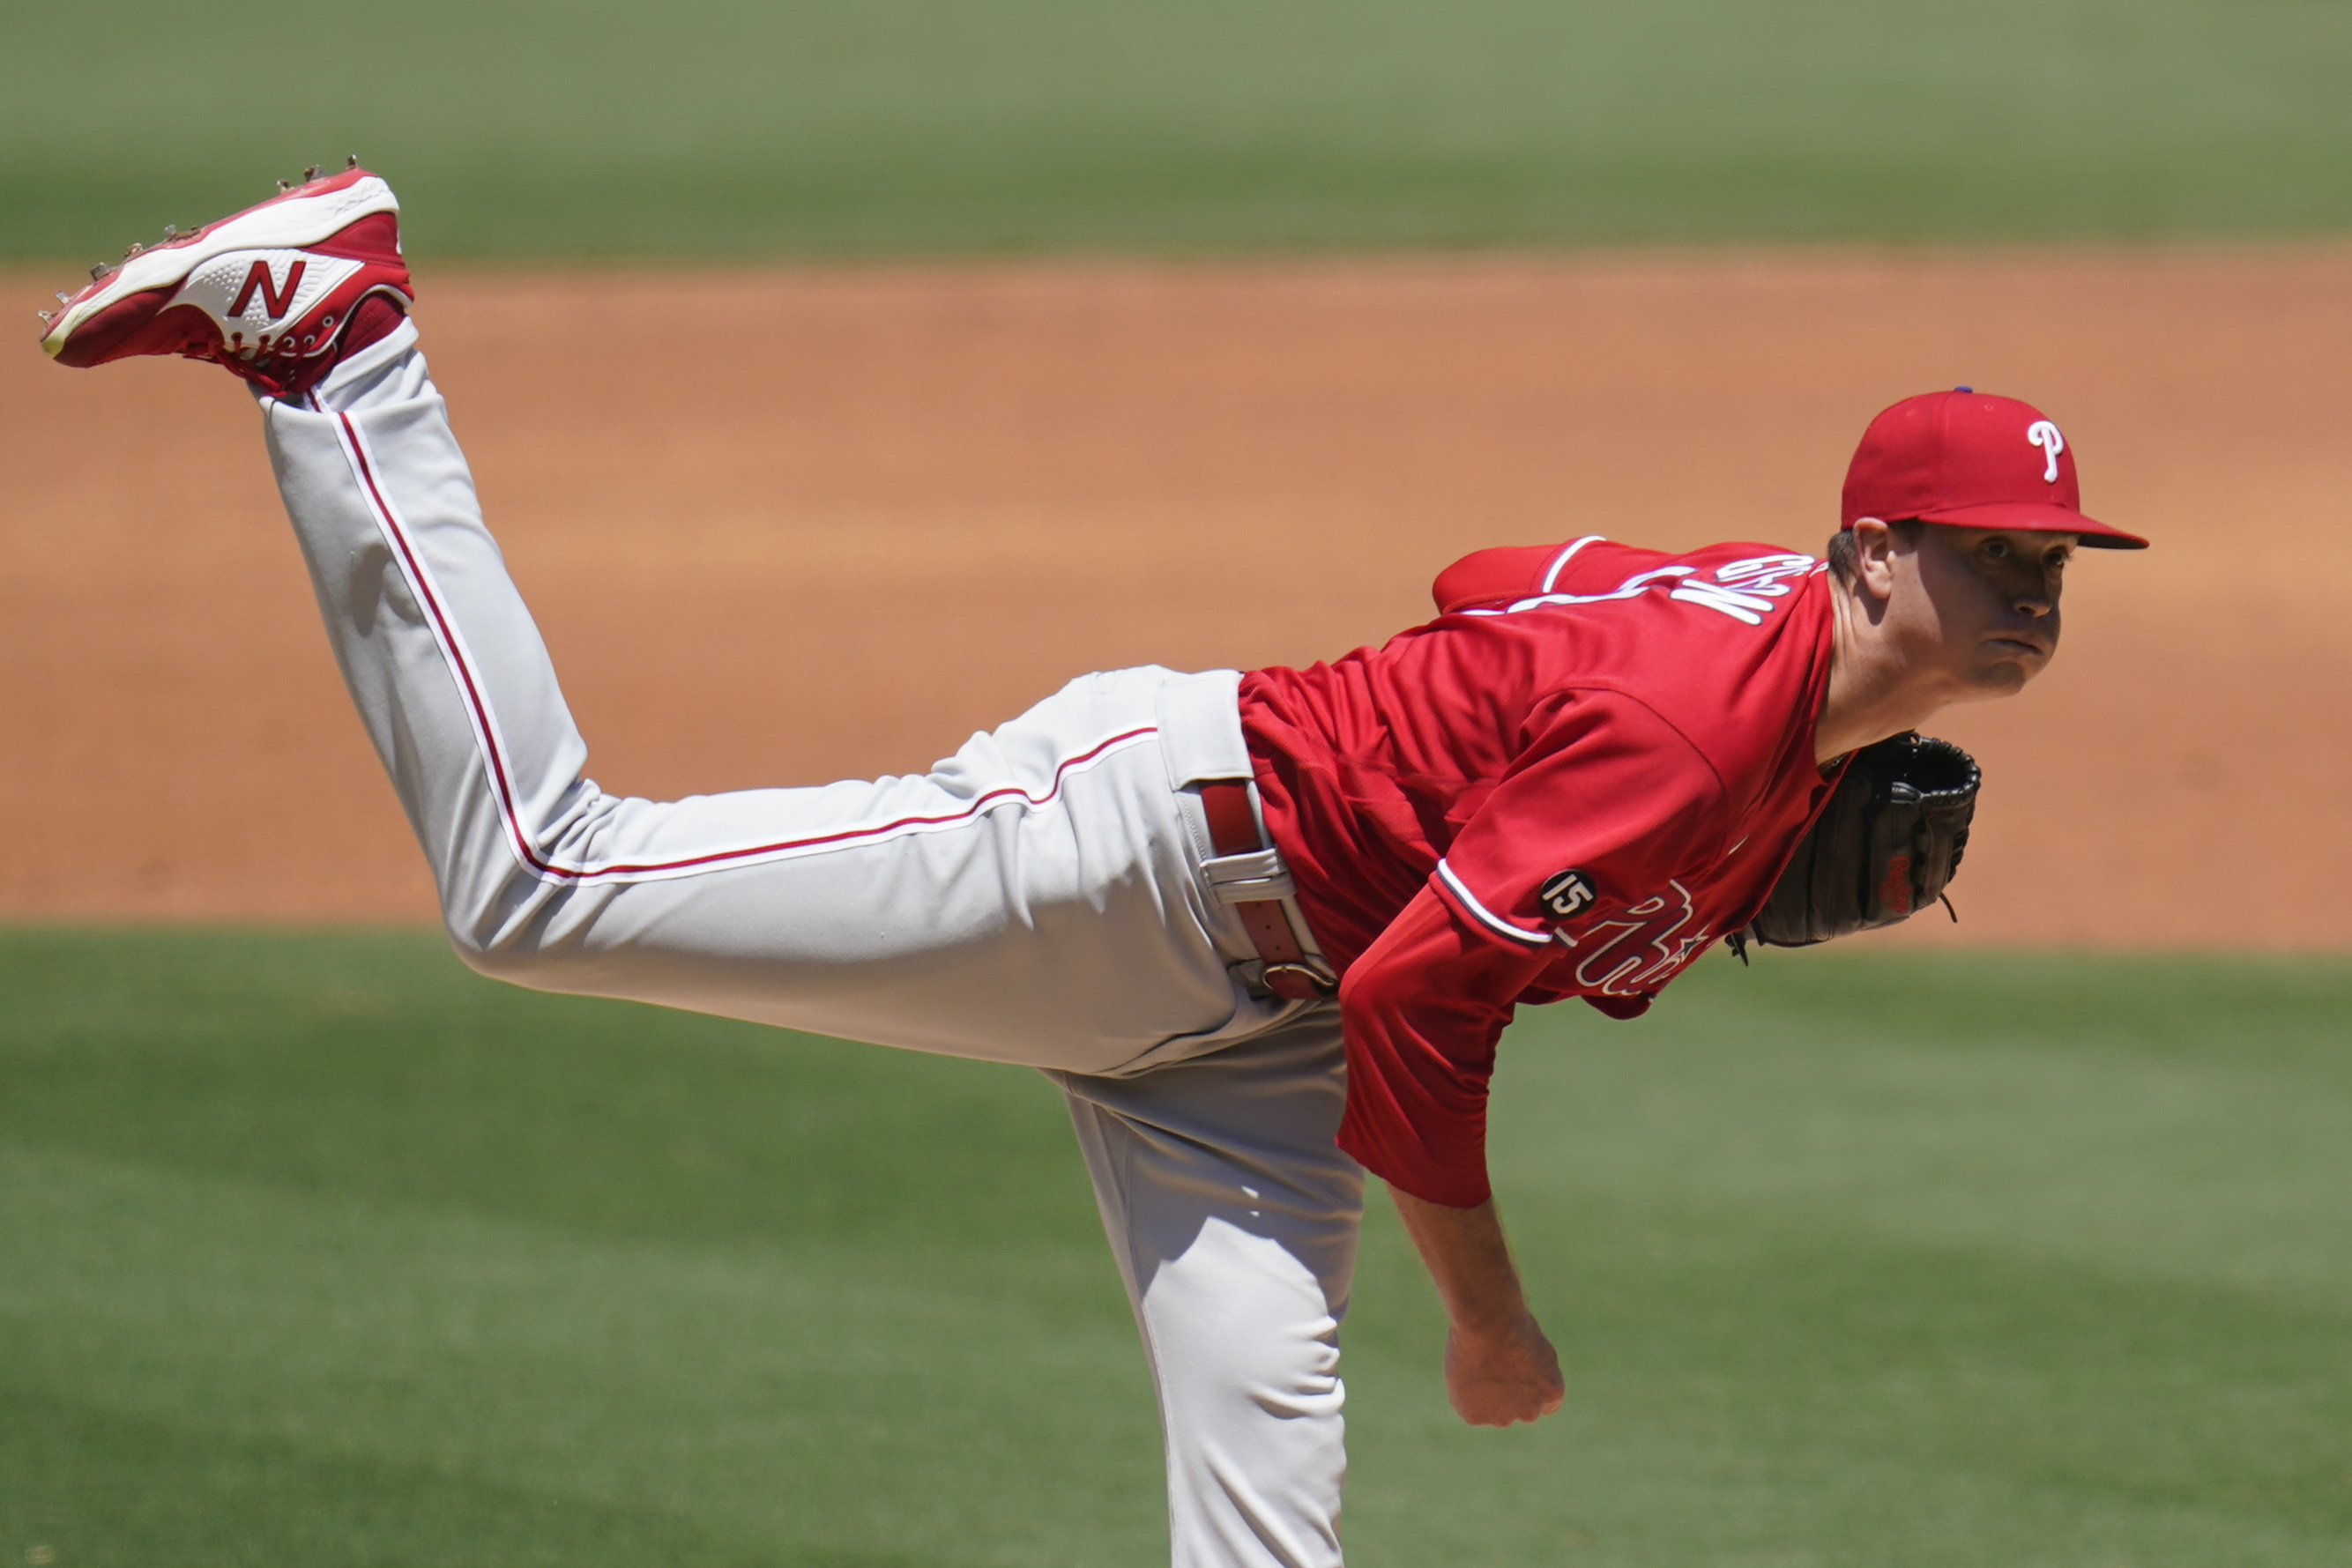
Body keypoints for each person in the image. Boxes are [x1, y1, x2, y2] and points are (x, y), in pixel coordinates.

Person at [39, 167, 2147, 1568]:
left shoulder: (1735, 658)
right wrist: (1490, 1323)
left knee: (1265, 1505)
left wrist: (1622, 784)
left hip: (1243, 1031)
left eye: (2049, 565)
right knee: (536, 885)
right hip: (1116, 861)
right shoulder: (1697, 721)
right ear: (1874, 547)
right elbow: (1425, 1005)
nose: (2031, 594)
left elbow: (1492, 580)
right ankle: (339, 336)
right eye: (1991, 556)